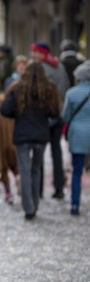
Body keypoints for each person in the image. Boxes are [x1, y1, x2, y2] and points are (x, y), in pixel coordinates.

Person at [0, 62, 60, 220]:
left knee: (25, 170)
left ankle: (28, 207)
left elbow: (4, 109)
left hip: (23, 134)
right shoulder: (48, 88)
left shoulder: (18, 88)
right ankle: (35, 203)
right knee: (36, 169)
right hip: (40, 134)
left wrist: (18, 115)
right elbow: (55, 113)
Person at [30, 41, 70, 199]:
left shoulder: (40, 68)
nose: (33, 55)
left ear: (42, 53)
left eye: (36, 52)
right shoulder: (59, 66)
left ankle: (38, 190)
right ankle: (59, 187)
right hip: (58, 114)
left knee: (39, 153)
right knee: (56, 152)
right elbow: (66, 88)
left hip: (43, 116)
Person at [62, 60, 90, 215]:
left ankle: (75, 204)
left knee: (77, 171)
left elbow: (65, 116)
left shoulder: (72, 93)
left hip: (77, 135)